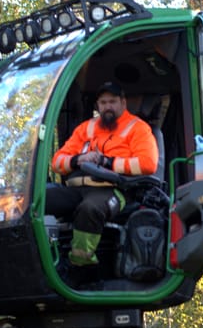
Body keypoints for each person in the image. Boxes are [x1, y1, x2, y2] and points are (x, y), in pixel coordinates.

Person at [47, 81, 159, 267]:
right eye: (103, 102)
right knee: (39, 200)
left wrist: (107, 162)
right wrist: (78, 159)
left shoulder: (138, 128)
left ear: (123, 103)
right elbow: (57, 162)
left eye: (112, 101)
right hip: (77, 189)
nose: (107, 106)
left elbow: (148, 164)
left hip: (115, 190)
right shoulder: (86, 128)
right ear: (98, 105)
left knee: (89, 209)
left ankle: (81, 267)